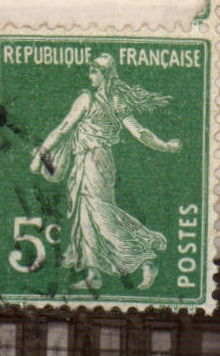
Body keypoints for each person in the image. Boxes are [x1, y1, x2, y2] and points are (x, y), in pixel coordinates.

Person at [31, 53, 181, 292]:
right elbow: (140, 132)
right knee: (85, 217)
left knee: (99, 214)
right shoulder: (117, 102)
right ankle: (93, 275)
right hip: (97, 162)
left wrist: (42, 152)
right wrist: (165, 146)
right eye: (90, 71)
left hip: (92, 160)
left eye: (94, 72)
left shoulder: (86, 99)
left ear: (105, 75)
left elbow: (63, 128)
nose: (90, 76)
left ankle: (144, 258)